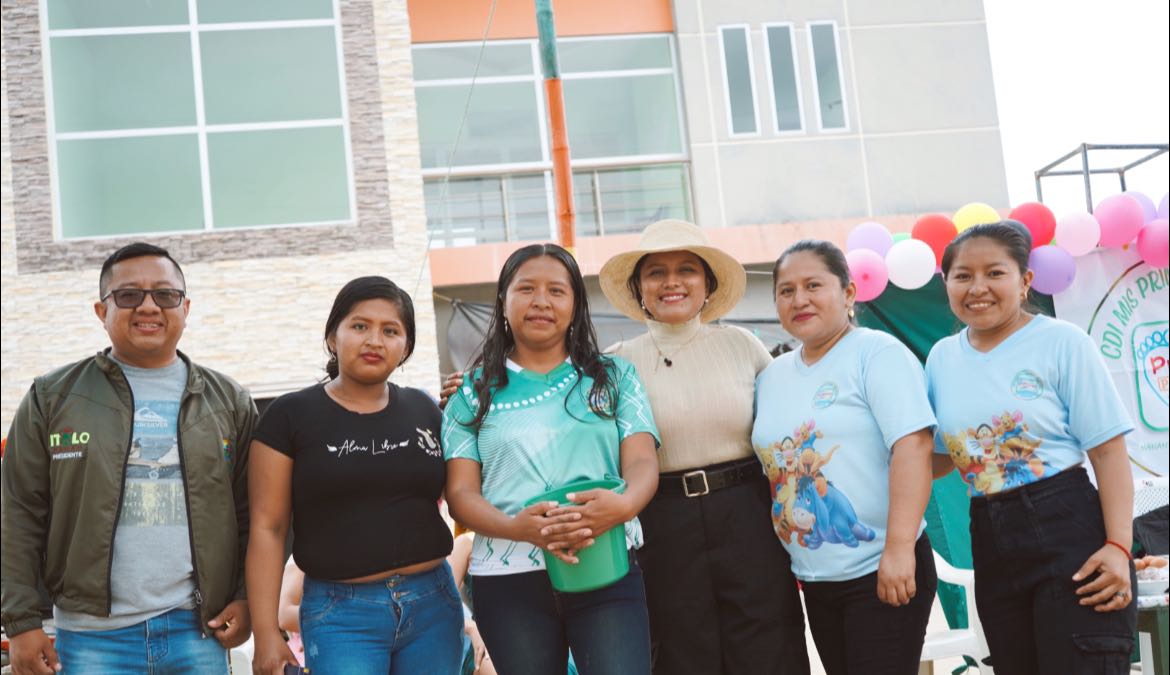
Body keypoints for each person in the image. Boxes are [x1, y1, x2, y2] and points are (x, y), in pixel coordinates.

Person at [1, 242, 256, 675]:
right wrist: (21, 621)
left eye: (165, 294)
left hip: (197, 630)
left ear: (185, 307)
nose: (149, 306)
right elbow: (18, 514)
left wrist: (246, 595)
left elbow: (253, 512)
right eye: (129, 295)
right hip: (91, 638)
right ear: (102, 311)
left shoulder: (228, 401)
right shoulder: (52, 397)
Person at [597, 219, 810, 674]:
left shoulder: (742, 346)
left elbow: (790, 423)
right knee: (681, 651)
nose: (671, 282)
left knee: (769, 646)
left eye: (687, 270)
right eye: (656, 272)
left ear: (707, 284)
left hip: (748, 513)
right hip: (661, 521)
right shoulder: (614, 364)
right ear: (638, 288)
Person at [926, 222, 1137, 674]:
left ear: (1024, 281)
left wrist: (1119, 546)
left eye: (994, 273)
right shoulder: (942, 358)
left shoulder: (1062, 342)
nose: (977, 288)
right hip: (989, 532)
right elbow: (942, 457)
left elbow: (1107, 452)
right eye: (963, 276)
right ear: (946, 284)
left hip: (1067, 526)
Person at [442, 243, 660, 675]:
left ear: (576, 304)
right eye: (526, 289)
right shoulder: (469, 393)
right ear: (503, 300)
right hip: (508, 581)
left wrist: (623, 506)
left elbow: (641, 462)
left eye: (556, 291)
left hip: (606, 563)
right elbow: (461, 495)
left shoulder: (615, 377)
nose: (541, 301)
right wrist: (516, 528)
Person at [247, 276, 462, 675]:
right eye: (360, 326)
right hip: (340, 616)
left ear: (406, 347)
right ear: (333, 336)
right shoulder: (289, 416)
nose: (374, 340)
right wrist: (265, 633)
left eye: (390, 331)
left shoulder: (425, 409)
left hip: (433, 605)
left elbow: (465, 496)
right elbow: (267, 528)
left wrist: (474, 412)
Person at [753, 239, 938, 674]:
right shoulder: (771, 376)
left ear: (848, 292)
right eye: (786, 290)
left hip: (881, 569)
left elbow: (914, 447)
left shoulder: (877, 353)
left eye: (813, 285)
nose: (799, 299)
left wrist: (899, 550)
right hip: (816, 579)